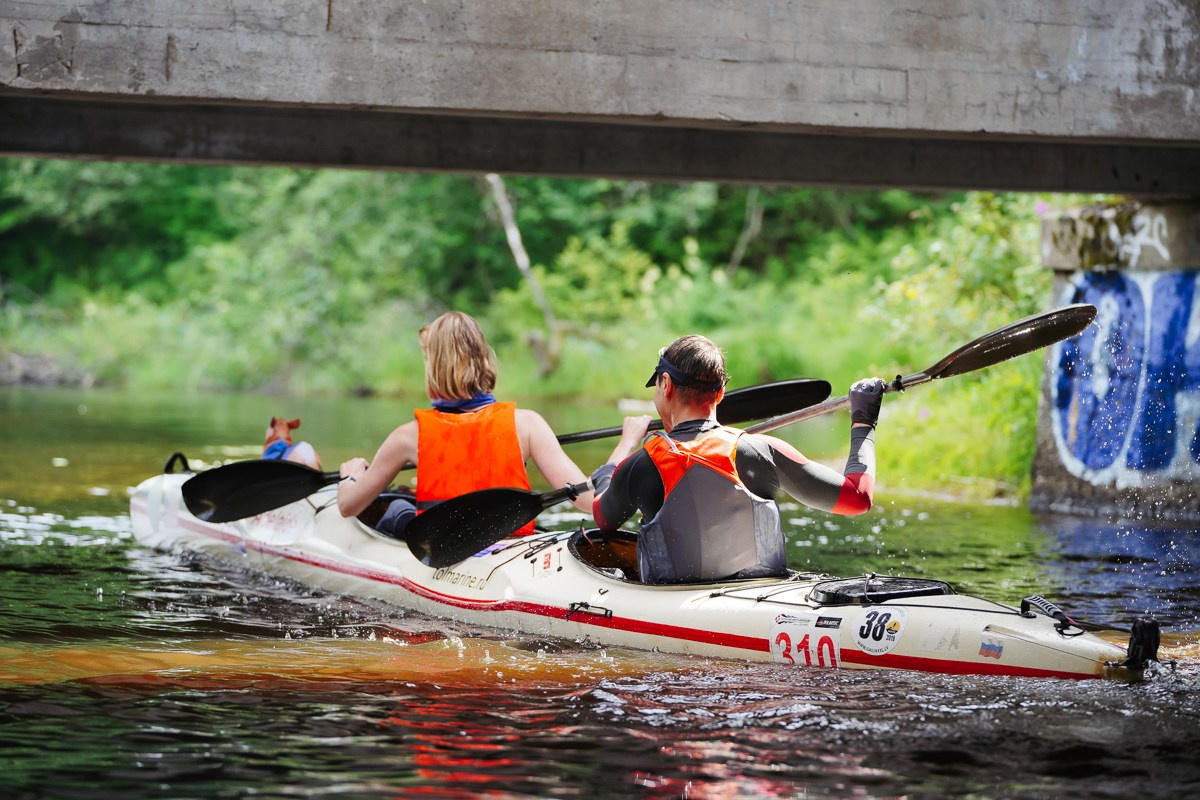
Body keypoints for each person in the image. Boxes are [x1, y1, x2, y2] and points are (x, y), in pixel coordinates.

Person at [591, 334, 884, 584]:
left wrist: (608, 470)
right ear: (720, 394)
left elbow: (603, 518)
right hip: (758, 599)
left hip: (675, 610)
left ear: (666, 384)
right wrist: (863, 422)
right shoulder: (761, 450)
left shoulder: (642, 464)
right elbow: (858, 498)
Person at [337, 311, 616, 537]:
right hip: (508, 546)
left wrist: (350, 477)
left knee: (397, 508)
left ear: (432, 367)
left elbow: (348, 506)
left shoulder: (408, 437)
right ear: (484, 358)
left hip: (443, 549)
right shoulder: (528, 424)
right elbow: (590, 503)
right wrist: (625, 444)